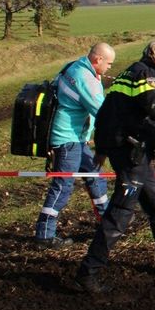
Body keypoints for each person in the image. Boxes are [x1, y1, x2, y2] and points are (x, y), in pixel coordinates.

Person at [76, 37, 155, 294]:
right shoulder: (146, 75)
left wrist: (101, 149)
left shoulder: (128, 74)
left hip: (133, 154)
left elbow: (105, 113)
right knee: (120, 214)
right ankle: (88, 273)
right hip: (130, 154)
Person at [33, 43, 116, 248]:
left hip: (76, 138)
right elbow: (103, 112)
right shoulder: (86, 79)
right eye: (109, 64)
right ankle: (44, 234)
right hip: (67, 140)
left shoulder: (75, 66)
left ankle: (107, 222)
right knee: (63, 185)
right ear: (98, 60)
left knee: (95, 174)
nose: (110, 68)